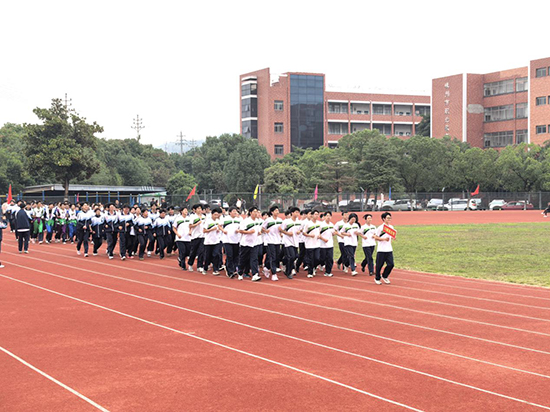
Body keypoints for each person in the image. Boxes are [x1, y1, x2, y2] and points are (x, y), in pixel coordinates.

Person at [237, 206, 261, 281]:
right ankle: (240, 273)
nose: (256, 213)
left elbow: (258, 231)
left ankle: (255, 274)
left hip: (255, 243)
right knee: (243, 259)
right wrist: (249, 232)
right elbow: (241, 231)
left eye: (257, 212)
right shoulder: (245, 221)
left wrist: (259, 232)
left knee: (254, 259)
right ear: (250, 213)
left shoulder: (258, 221)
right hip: (245, 243)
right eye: (254, 212)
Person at [262, 205, 283, 281]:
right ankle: (274, 274)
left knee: (277, 256)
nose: (277, 212)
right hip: (270, 241)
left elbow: (282, 229)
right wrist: (265, 231)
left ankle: (266, 267)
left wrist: (281, 232)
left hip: (278, 241)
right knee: (273, 257)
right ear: (272, 212)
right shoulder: (268, 220)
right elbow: (262, 228)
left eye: (278, 210)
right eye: (275, 210)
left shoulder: (280, 220)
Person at [373, 212, 395, 285]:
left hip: (389, 249)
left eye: (390, 218)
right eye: (388, 218)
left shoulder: (391, 227)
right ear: (383, 219)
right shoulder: (380, 228)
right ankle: (377, 278)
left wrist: (393, 238)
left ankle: (385, 276)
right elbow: (375, 237)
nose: (389, 219)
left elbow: (391, 236)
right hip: (381, 249)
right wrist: (383, 239)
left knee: (391, 264)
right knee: (379, 265)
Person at [280, 207, 301, 279]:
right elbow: (281, 229)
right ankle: (288, 272)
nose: (297, 214)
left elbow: (301, 229)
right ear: (292, 213)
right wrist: (287, 233)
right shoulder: (286, 221)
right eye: (296, 212)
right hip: (288, 242)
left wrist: (299, 231)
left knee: (294, 257)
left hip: (295, 241)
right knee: (291, 256)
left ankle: (285, 265)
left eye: (298, 212)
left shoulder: (299, 222)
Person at [220, 206, 241, 278]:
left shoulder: (239, 219)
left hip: (236, 240)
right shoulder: (225, 219)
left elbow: (241, 228)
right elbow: (219, 225)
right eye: (233, 211)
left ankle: (234, 268)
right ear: (230, 212)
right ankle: (230, 271)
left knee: (235, 256)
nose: (235, 212)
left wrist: (239, 230)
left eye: (236, 211)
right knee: (229, 255)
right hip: (227, 240)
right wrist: (223, 230)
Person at [203, 207, 223, 275]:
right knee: (207, 256)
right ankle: (205, 268)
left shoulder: (218, 221)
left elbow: (219, 228)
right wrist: (212, 229)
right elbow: (204, 230)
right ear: (212, 214)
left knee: (216, 255)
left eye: (217, 215)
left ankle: (215, 269)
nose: (216, 216)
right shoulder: (208, 221)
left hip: (216, 241)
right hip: (208, 242)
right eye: (215, 215)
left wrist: (218, 230)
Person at [302, 210, 321, 278]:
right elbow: (304, 233)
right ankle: (310, 272)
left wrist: (319, 235)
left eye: (317, 214)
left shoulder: (319, 223)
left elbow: (320, 231)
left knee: (317, 258)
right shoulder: (308, 224)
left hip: (317, 244)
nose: (316, 216)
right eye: (315, 214)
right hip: (309, 244)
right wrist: (309, 235)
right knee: (310, 259)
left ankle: (314, 267)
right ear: (312, 215)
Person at [319, 211, 337, 277]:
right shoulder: (321, 225)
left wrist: (334, 233)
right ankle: (317, 265)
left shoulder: (332, 225)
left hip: (330, 244)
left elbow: (333, 233)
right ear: (324, 217)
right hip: (322, 245)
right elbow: (318, 234)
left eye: (329, 216)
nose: (328, 217)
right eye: (327, 216)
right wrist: (323, 239)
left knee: (330, 258)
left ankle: (328, 272)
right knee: (322, 258)